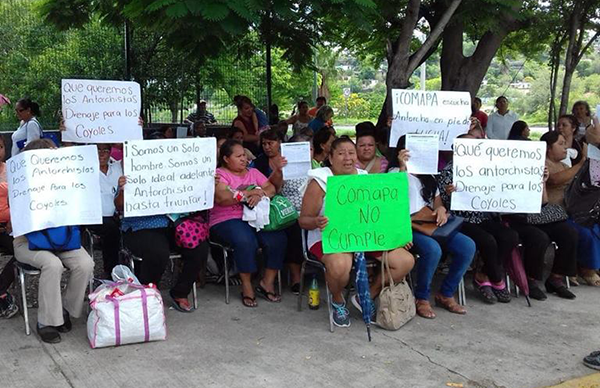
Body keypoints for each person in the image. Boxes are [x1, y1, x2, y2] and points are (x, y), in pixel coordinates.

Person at [299, 137, 414, 327]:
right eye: (341, 154)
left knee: (405, 261)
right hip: (330, 238)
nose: (347, 158)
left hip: (365, 237)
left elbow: (383, 214)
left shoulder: (364, 179)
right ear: (330, 158)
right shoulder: (320, 181)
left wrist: (397, 236)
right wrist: (316, 221)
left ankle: (367, 294)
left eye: (351, 153)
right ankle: (337, 301)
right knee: (340, 266)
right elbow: (303, 220)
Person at [13, 139, 94, 343]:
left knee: (86, 264)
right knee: (52, 264)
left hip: (62, 239)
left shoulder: (64, 181)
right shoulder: (20, 183)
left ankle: (65, 310)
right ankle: (46, 321)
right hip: (28, 241)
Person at [388, 137, 476, 319]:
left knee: (467, 246)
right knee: (433, 250)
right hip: (408, 227)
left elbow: (438, 204)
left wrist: (442, 210)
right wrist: (402, 166)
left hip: (431, 225)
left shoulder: (430, 177)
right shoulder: (394, 172)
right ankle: (421, 297)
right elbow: (394, 200)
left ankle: (446, 293)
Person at [437, 134, 516, 304]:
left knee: (510, 236)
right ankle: (496, 278)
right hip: (459, 220)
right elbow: (442, 203)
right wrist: (450, 194)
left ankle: (485, 273)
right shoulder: (449, 171)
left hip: (481, 216)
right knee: (487, 241)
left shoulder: (486, 168)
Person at [210, 140, 286, 307]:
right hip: (227, 218)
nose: (244, 159)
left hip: (256, 217)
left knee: (277, 238)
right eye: (238, 156)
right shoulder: (219, 175)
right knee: (245, 240)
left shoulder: (253, 172)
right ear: (226, 159)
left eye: (244, 155)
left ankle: (267, 281)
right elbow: (222, 198)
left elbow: (271, 189)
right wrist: (250, 193)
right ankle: (246, 285)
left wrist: (259, 194)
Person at [504, 132, 579, 300]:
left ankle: (556, 278)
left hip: (538, 215)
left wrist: (542, 182)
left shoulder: (534, 169)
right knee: (539, 238)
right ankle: (530, 281)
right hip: (515, 217)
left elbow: (543, 202)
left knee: (569, 233)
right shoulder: (501, 171)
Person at [542, 131, 599, 287]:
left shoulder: (564, 165)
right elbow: (554, 180)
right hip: (551, 215)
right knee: (584, 232)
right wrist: (581, 164)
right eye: (560, 144)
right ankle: (585, 270)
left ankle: (589, 266)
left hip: (569, 212)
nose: (565, 147)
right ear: (548, 148)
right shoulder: (542, 164)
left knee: (594, 225)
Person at [86, 143, 122, 278]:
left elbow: (131, 153)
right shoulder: (85, 169)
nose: (101, 154)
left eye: (105, 150)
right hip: (94, 216)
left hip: (118, 214)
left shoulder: (118, 167)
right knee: (111, 229)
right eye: (97, 150)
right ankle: (111, 271)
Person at [0, 134, 17, 318]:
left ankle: (1, 288)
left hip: (9, 227)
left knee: (24, 254)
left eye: (1, 147)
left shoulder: (13, 170)